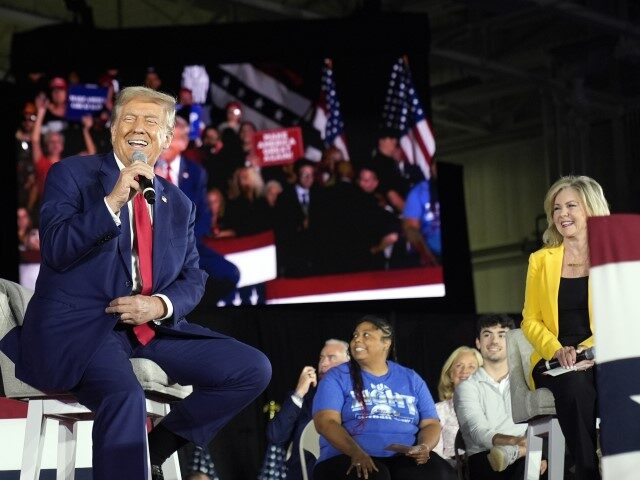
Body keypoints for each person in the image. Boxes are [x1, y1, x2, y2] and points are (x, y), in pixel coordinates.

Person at [0, 86, 272, 480]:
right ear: (112, 130)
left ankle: (155, 450)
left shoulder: (178, 202)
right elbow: (56, 249)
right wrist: (111, 203)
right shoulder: (72, 175)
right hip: (84, 327)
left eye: (151, 121)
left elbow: (193, 275)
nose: (138, 127)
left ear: (166, 138)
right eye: (129, 118)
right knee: (122, 395)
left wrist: (159, 305)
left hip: (148, 328)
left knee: (251, 369)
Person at [521, 175, 609, 480]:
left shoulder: (612, 259)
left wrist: (591, 350)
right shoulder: (540, 261)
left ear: (591, 208)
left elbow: (624, 315)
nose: (562, 215)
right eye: (556, 208)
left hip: (602, 351)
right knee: (574, 386)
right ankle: (587, 470)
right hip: (554, 356)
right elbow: (530, 320)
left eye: (571, 205)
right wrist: (558, 350)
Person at [313, 315, 456, 480]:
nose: (357, 340)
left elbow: (431, 423)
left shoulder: (411, 379)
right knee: (375, 476)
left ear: (386, 342)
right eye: (355, 335)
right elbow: (325, 422)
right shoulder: (337, 376)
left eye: (366, 335)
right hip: (346, 456)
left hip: (403, 458)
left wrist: (424, 447)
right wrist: (356, 452)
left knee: (440, 473)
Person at [454, 314, 546, 479]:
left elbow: (541, 422)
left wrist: (534, 452)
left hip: (527, 453)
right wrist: (518, 443)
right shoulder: (467, 387)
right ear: (478, 343)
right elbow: (478, 432)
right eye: (487, 334)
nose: (494, 341)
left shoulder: (528, 381)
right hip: (485, 457)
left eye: (502, 335)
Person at [265, 339, 350, 480]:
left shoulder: (358, 402)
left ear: (349, 366)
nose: (323, 363)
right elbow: (275, 436)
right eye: (321, 358)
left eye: (331, 358)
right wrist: (299, 393)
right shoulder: (302, 400)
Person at [432, 346, 482, 467]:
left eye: (471, 367)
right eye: (459, 366)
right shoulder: (438, 410)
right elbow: (435, 455)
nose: (465, 371)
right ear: (450, 374)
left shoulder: (493, 408)